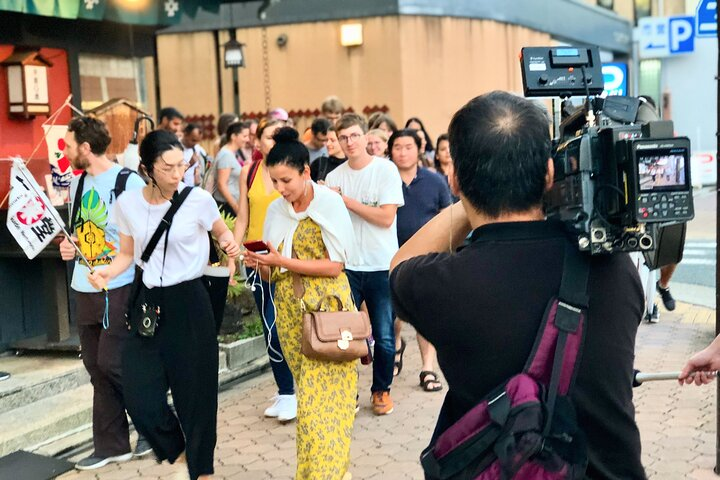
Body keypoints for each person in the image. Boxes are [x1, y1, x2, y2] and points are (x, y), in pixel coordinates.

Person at [389, 91, 646, 478]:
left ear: (454, 179)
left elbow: (399, 265)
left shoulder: (440, 283)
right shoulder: (612, 266)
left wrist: (470, 197)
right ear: (548, 173)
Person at [88, 130, 240, 480]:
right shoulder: (127, 204)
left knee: (196, 393)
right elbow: (127, 254)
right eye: (168, 167)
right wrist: (106, 273)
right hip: (147, 303)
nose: (177, 174)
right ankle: (179, 450)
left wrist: (231, 245)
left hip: (190, 300)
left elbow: (222, 232)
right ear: (147, 168)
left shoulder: (198, 199)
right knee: (140, 395)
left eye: (182, 166)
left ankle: (202, 471)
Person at [243, 127, 358, 480]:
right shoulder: (278, 210)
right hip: (291, 317)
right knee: (308, 407)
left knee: (328, 407)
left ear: (306, 172)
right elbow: (272, 270)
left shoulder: (329, 204)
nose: (280, 190)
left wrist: (282, 262)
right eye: (274, 182)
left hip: (329, 316)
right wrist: (261, 264)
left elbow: (336, 265)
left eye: (286, 180)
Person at [59, 116, 150, 471]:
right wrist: (69, 247)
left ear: (85, 147)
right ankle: (112, 445)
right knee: (96, 365)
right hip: (84, 286)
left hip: (119, 283)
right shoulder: (76, 185)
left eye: (67, 146)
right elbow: (80, 233)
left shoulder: (127, 182)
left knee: (114, 361)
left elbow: (144, 235)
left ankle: (155, 419)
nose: (63, 152)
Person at [325, 113, 404, 415]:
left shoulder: (385, 171)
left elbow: (386, 218)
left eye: (354, 135)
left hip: (381, 264)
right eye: (343, 137)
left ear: (365, 136)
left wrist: (345, 202)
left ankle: (381, 390)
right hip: (346, 265)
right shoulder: (334, 178)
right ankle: (347, 393)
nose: (349, 142)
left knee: (384, 336)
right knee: (343, 335)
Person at [233, 117, 297, 422]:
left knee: (289, 327)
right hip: (256, 259)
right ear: (257, 141)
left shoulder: (295, 171)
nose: (273, 142)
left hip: (289, 260)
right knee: (270, 328)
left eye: (278, 136)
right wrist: (234, 251)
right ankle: (286, 391)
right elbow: (243, 218)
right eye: (267, 137)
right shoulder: (250, 171)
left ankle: (298, 390)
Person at [388, 129, 451, 392]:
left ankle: (428, 369)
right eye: (398, 147)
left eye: (408, 147)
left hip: (426, 257)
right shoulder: (385, 179)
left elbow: (447, 215)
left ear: (419, 149)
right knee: (392, 316)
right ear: (390, 151)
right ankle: (396, 345)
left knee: (425, 313)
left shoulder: (434, 181)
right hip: (390, 255)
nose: (403, 152)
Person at [213, 122, 250, 217]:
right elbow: (221, 184)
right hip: (227, 206)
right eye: (244, 136)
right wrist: (236, 207)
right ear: (234, 136)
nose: (248, 139)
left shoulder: (231, 153)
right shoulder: (226, 155)